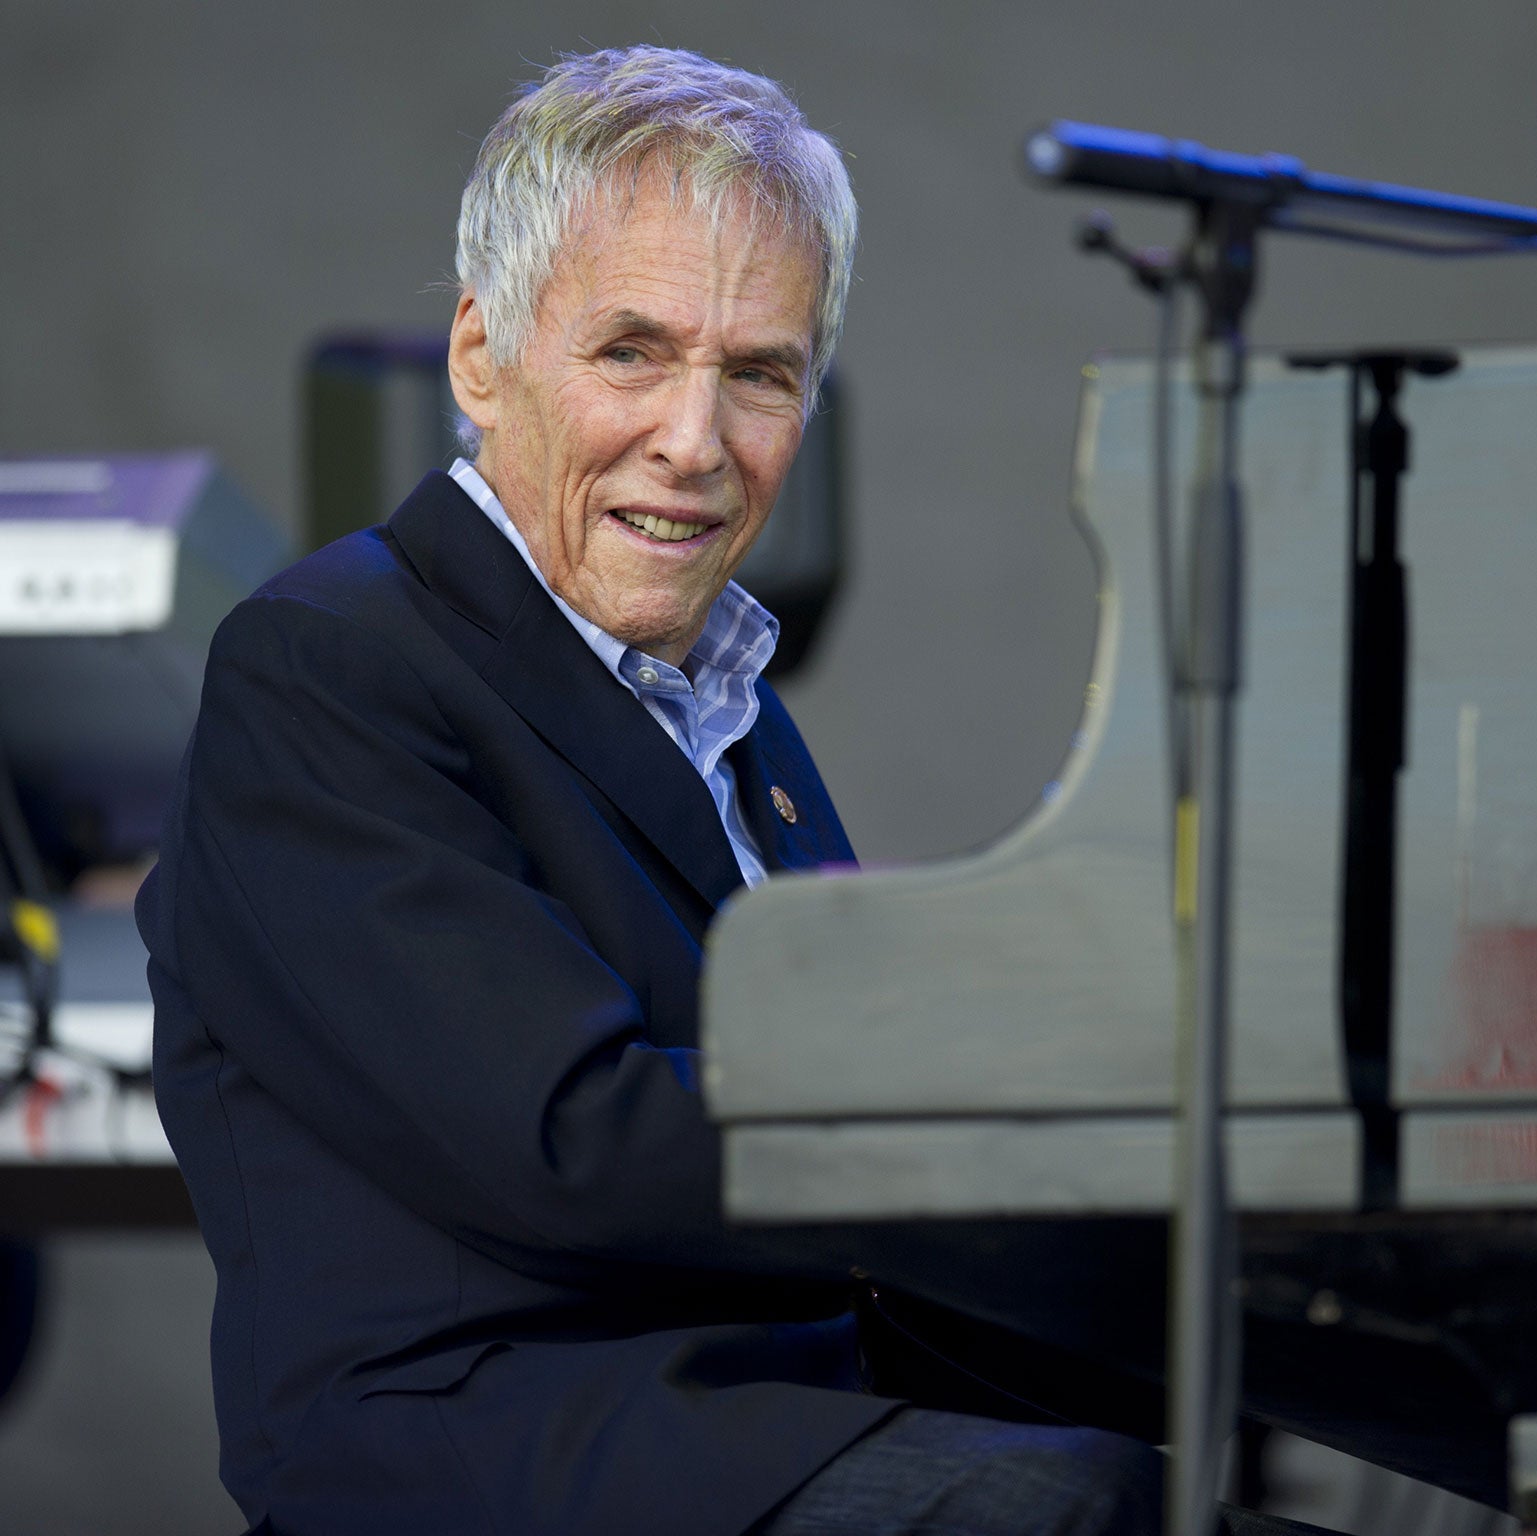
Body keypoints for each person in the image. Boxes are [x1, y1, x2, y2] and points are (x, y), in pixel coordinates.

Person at [138, 45, 1173, 1536]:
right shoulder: (326, 668)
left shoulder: (729, 705)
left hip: (767, 1411)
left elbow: (820, 1070)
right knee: (1083, 1507)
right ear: (481, 359)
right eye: (632, 352)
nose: (695, 443)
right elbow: (574, 1143)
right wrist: (997, 1139)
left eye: (758, 373)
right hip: (498, 1452)